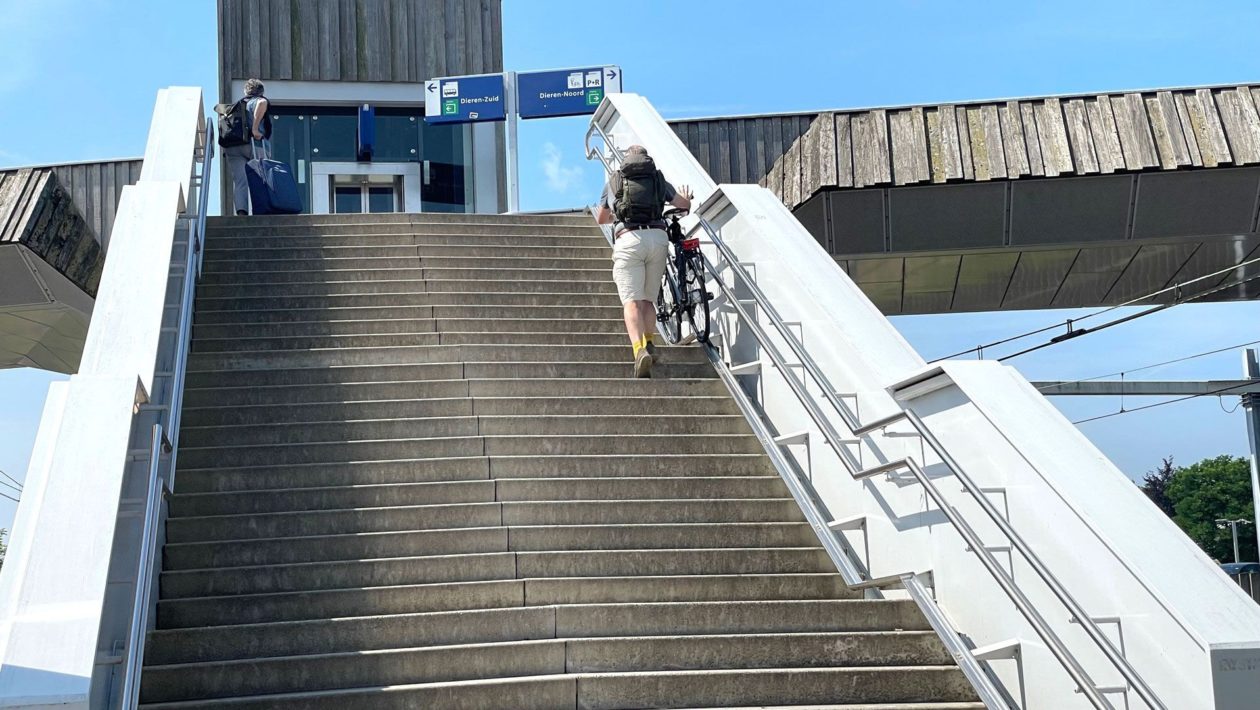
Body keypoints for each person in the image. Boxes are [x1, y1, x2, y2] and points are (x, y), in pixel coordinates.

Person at [595, 145, 694, 378]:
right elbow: (683, 205)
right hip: (658, 239)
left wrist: (619, 215)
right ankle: (649, 341)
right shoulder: (657, 178)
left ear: (626, 159)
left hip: (628, 239)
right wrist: (686, 198)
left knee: (632, 301)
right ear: (647, 158)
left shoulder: (615, 181)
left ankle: (639, 350)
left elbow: (601, 218)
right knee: (649, 299)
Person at [223, 79, 272, 216]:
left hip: (233, 146)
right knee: (262, 178)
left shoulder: (235, 106)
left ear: (245, 91)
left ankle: (241, 212)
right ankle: (262, 210)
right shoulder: (257, 100)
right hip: (254, 145)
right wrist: (255, 129)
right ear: (261, 92)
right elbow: (262, 103)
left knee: (240, 181)